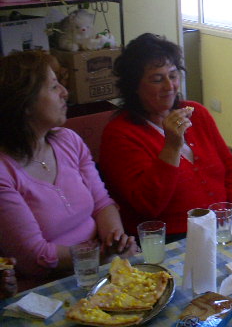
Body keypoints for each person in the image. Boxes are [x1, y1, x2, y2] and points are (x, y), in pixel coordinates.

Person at [0, 51, 137, 290]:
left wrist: (115, 241)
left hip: (101, 267)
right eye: (54, 86)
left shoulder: (68, 140)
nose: (65, 92)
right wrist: (100, 255)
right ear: (25, 104)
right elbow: (34, 257)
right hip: (49, 288)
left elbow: (102, 204)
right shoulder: (5, 171)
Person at [100, 34, 232, 242]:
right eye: (157, 80)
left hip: (223, 226)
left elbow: (231, 171)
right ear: (133, 86)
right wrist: (171, 147)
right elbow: (147, 205)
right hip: (171, 238)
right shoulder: (119, 134)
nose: (169, 86)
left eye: (173, 76)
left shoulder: (197, 113)